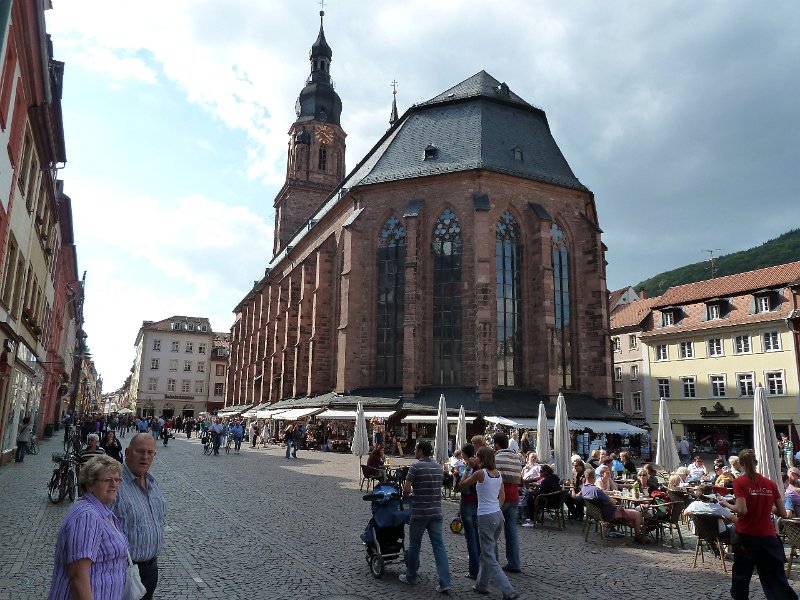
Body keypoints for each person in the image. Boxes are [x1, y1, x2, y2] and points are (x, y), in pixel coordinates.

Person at [48, 455, 128, 599]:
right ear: (90, 484)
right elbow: (78, 575)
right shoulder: (87, 516)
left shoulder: (100, 511)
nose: (114, 485)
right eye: (108, 480)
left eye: (117, 480)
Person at [723, 449, 797, 600]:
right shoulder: (770, 483)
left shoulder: (739, 482)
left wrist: (726, 504)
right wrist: (767, 506)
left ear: (741, 464)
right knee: (775, 578)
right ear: (756, 463)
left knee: (741, 576)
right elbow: (783, 513)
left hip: (746, 536)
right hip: (768, 537)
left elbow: (742, 510)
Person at [459, 446, 519, 599]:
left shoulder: (480, 473)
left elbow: (462, 485)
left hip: (485, 516)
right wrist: (495, 509)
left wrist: (467, 468)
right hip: (498, 515)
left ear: (482, 458)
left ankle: (508, 590)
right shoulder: (498, 474)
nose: (475, 458)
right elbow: (503, 498)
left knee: (489, 557)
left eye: (477, 456)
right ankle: (481, 585)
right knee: (487, 552)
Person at [111, 433, 165, 600]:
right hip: (122, 570)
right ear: (127, 452)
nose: (145, 457)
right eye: (140, 451)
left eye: (150, 452)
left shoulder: (153, 483)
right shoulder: (113, 484)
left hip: (150, 569)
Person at [399, 440, 451, 594]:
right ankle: (445, 581)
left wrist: (407, 493)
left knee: (415, 545)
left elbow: (406, 490)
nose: (415, 451)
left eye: (416, 449)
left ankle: (411, 576)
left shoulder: (415, 467)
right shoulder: (438, 467)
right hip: (436, 512)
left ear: (420, 451)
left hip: (420, 512)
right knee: (439, 546)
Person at [580, 468, 647, 543]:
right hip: (608, 513)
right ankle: (638, 536)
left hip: (596, 514)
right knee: (637, 514)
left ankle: (639, 533)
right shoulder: (596, 490)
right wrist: (615, 502)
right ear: (594, 477)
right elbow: (612, 502)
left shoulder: (584, 488)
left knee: (631, 519)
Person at [492, 431, 522, 574]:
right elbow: (520, 479)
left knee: (492, 531)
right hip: (514, 495)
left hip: (500, 496)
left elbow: (492, 477)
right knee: (511, 530)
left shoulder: (496, 458)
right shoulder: (516, 457)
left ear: (496, 444)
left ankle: (493, 562)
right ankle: (514, 563)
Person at [459, 443, 481, 580]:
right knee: (476, 535)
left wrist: (466, 470)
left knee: (470, 537)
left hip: (468, 501)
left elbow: (462, 485)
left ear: (464, 453)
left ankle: (474, 570)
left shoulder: (470, 466)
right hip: (478, 503)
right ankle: (479, 565)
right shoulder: (480, 464)